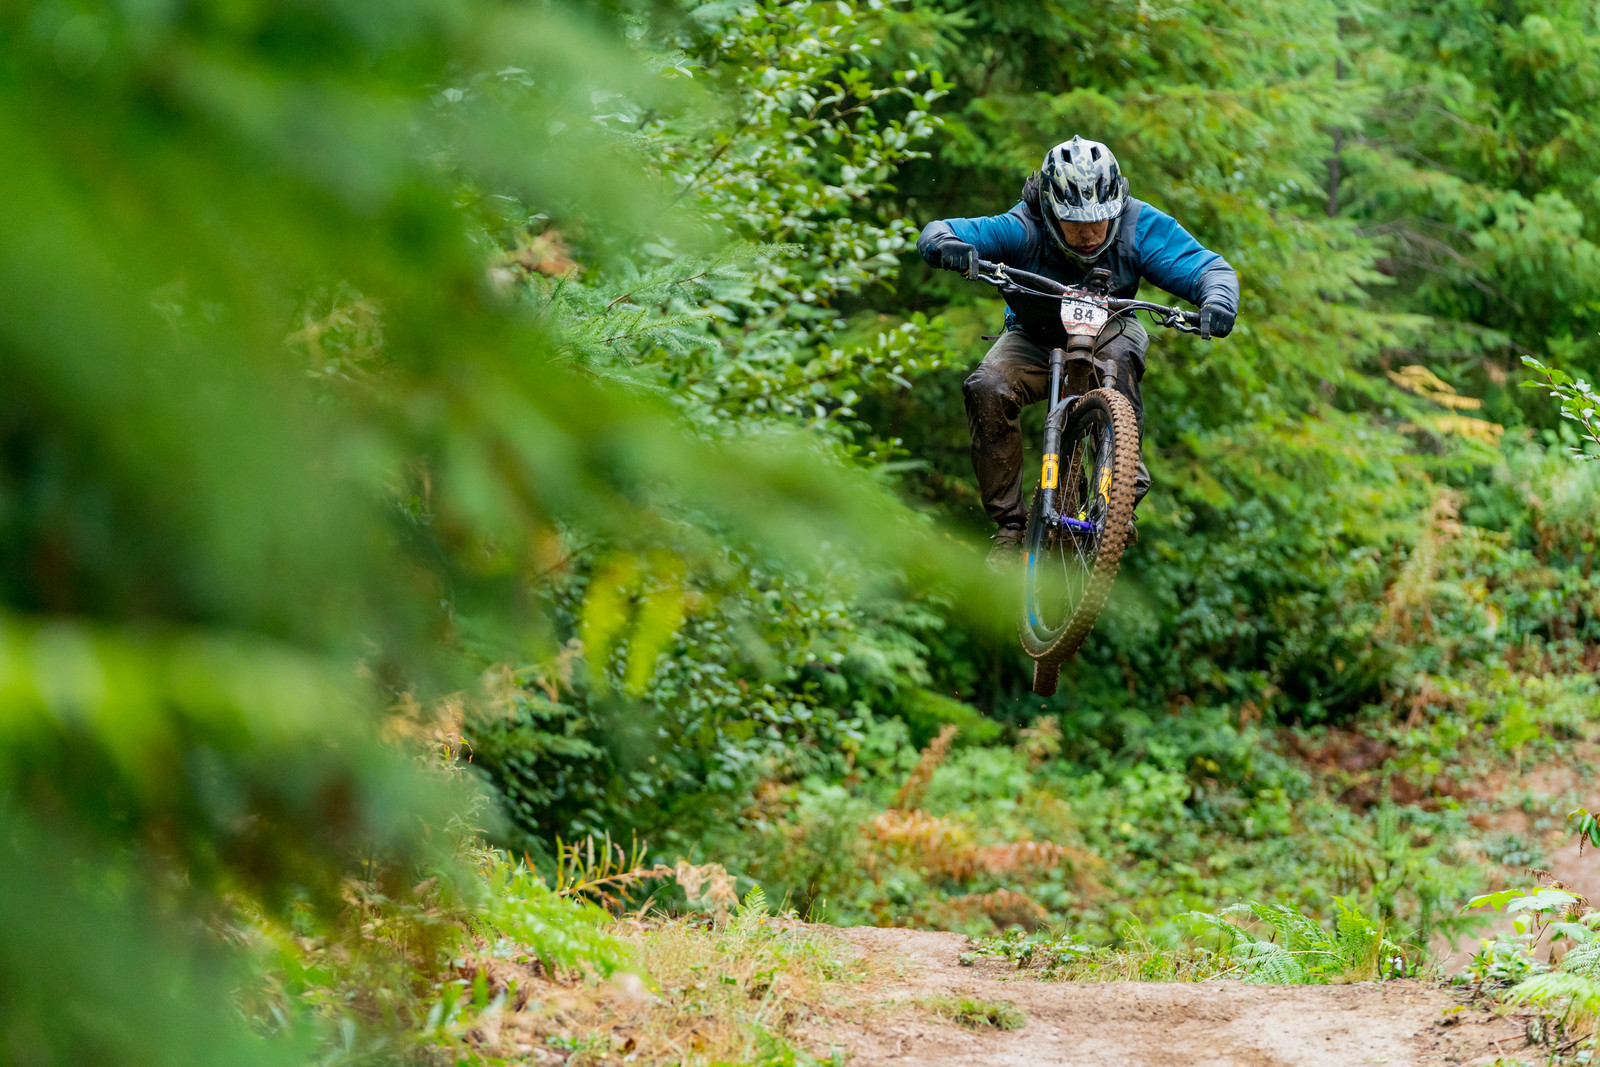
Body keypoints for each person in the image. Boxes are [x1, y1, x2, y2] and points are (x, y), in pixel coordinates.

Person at [917, 136, 1239, 564]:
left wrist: (1217, 301)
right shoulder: (1022, 226)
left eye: (1099, 221)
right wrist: (947, 247)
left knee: (1122, 355)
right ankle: (1012, 525)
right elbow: (942, 231)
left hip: (1110, 327)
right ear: (1050, 209)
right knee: (987, 386)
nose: (1088, 235)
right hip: (1034, 335)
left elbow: (1207, 267)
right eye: (1074, 222)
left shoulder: (1137, 225)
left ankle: (1120, 489)